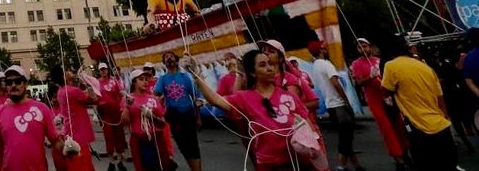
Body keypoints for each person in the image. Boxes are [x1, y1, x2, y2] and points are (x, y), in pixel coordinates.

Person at [185, 50, 326, 171]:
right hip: (269, 164)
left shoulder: (287, 95)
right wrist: (197, 76)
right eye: (263, 65)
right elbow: (216, 100)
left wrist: (315, 146)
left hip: (298, 160)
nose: (270, 68)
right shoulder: (244, 98)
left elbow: (306, 121)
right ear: (252, 73)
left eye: (270, 64)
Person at [381, 34, 458, 171]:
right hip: (441, 124)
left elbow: (385, 91)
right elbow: (440, 97)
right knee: (447, 164)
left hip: (418, 126)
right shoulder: (425, 67)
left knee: (425, 164)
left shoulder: (391, 66)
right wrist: (445, 117)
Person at [350, 38, 408, 170]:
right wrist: (370, 77)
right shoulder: (356, 64)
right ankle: (398, 158)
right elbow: (358, 83)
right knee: (386, 129)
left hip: (388, 97)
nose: (363, 49)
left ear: (370, 47)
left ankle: (405, 153)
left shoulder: (379, 60)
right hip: (374, 100)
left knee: (399, 125)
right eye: (360, 47)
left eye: (365, 46)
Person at [0, 65, 62, 171]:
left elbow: (55, 141)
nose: (13, 85)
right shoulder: (0, 112)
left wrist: (69, 149)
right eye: (9, 82)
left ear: (25, 84)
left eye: (18, 81)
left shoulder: (42, 108)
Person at [309, 41, 360, 171]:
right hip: (338, 104)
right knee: (345, 137)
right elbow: (335, 83)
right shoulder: (326, 64)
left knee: (346, 136)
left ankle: (356, 165)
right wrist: (346, 101)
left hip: (330, 105)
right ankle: (341, 166)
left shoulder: (315, 66)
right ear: (320, 50)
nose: (325, 48)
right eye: (323, 47)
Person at [154, 51, 202, 171]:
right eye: (166, 57)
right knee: (182, 146)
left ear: (176, 60)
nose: (169, 58)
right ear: (164, 63)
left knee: (193, 145)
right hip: (173, 116)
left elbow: (196, 98)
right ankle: (193, 168)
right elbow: (155, 95)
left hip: (188, 114)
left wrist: (199, 117)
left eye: (171, 56)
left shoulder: (186, 77)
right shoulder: (162, 79)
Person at [121, 69, 171, 171]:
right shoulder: (128, 99)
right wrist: (127, 106)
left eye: (146, 79)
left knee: (162, 166)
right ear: (134, 82)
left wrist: (152, 117)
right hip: (139, 139)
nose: (145, 82)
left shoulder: (153, 98)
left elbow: (162, 123)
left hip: (156, 137)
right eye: (141, 79)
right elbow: (124, 122)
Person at [53, 64, 98, 171]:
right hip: (80, 136)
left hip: (71, 133)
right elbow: (94, 99)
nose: (70, 71)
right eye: (66, 70)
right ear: (63, 75)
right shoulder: (73, 91)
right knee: (84, 166)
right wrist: (89, 83)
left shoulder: (61, 91)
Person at [97, 62, 127, 171]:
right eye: (101, 69)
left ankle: (119, 161)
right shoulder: (97, 83)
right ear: (99, 71)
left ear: (107, 70)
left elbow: (120, 92)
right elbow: (95, 98)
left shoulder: (114, 81)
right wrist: (96, 113)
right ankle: (111, 162)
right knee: (108, 137)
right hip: (104, 114)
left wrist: (127, 96)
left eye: (104, 69)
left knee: (119, 136)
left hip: (116, 112)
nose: (103, 71)